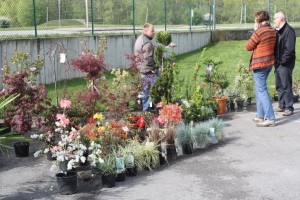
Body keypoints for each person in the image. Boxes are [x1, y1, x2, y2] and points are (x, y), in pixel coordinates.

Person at [246, 11, 276, 127]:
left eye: (255, 20)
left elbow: (248, 46)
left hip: (260, 65)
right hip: (269, 63)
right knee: (259, 89)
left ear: (258, 20)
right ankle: (259, 115)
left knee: (262, 90)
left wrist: (254, 30)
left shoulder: (259, 31)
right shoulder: (272, 30)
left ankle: (270, 118)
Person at [273, 11, 296, 116]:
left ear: (281, 19)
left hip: (285, 63)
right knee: (279, 85)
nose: (274, 21)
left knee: (286, 85)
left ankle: (289, 107)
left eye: (275, 18)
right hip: (278, 63)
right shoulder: (278, 31)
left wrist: (282, 61)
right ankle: (282, 105)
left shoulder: (289, 31)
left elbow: (289, 49)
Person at [134, 23, 159, 111]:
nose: (154, 32)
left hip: (142, 69)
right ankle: (151, 109)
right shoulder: (147, 42)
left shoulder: (140, 39)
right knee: (155, 89)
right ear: (145, 31)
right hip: (147, 70)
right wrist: (153, 69)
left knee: (145, 91)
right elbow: (148, 58)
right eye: (152, 31)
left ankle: (146, 108)